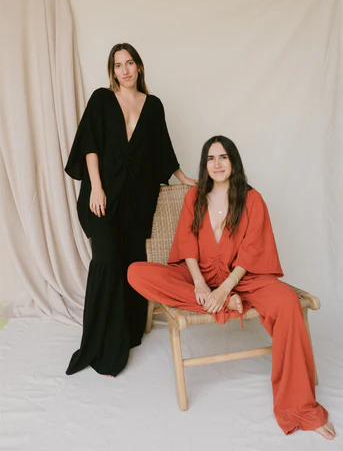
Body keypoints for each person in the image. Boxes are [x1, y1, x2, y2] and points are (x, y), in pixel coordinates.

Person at [128, 135, 335, 439]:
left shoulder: (252, 199)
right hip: (200, 277)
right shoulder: (193, 198)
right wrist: (200, 285)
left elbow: (252, 252)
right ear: (205, 165)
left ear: (233, 161)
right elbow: (187, 246)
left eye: (223, 157)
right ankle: (225, 305)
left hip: (242, 278)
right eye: (211, 158)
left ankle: (300, 406)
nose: (217, 163)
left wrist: (225, 289)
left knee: (288, 303)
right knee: (136, 272)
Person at [64, 43, 196, 377]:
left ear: (139, 67)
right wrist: (95, 186)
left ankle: (131, 330)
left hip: (137, 199)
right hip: (102, 196)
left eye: (130, 63)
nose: (124, 70)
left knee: (132, 262)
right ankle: (102, 345)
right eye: (118, 64)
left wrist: (183, 177)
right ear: (113, 71)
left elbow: (162, 147)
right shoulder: (101, 99)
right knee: (107, 261)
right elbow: (90, 145)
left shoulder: (153, 105)